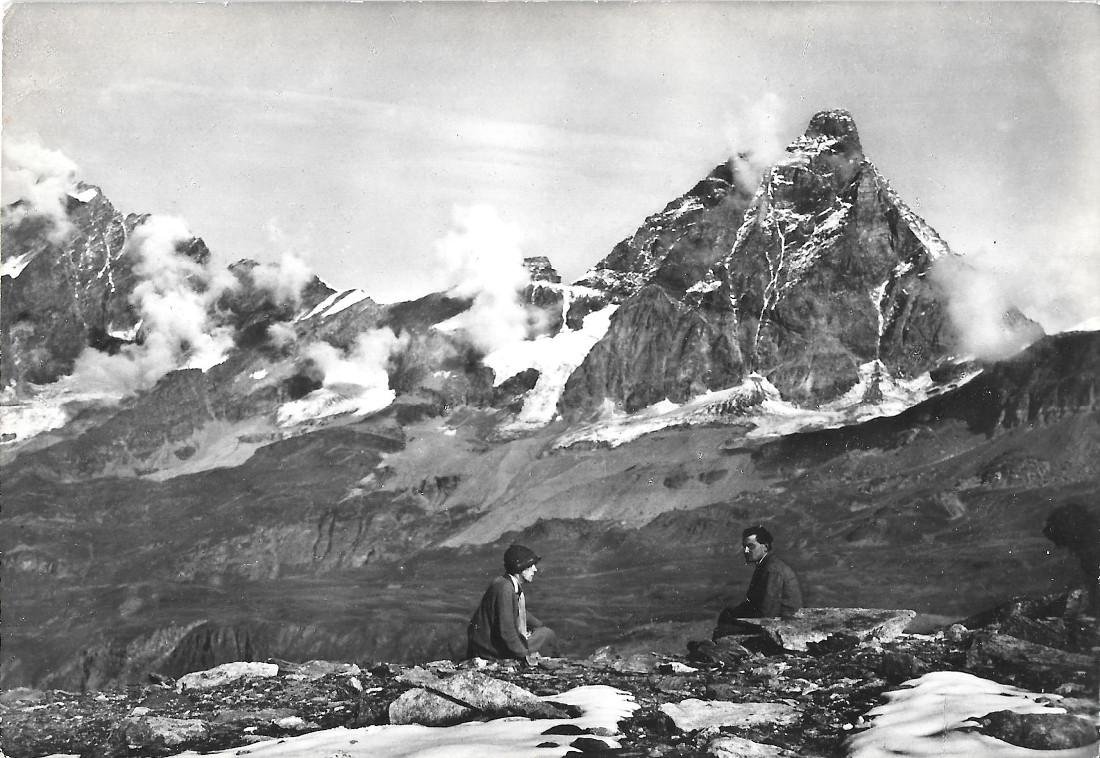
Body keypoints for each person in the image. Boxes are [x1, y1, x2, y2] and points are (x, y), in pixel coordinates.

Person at [466, 544, 558, 663]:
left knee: (543, 631)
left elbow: (518, 611)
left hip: (490, 645)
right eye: (530, 566)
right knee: (547, 635)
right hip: (491, 649)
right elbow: (507, 631)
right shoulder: (505, 588)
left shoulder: (506, 584)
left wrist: (538, 625)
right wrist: (523, 655)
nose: (535, 569)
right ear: (520, 568)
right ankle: (556, 665)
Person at [713, 525, 803, 640]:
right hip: (775, 622)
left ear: (765, 547)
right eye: (744, 547)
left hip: (783, 627)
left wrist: (737, 620)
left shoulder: (772, 570)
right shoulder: (765, 565)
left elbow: (768, 613)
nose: (746, 551)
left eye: (750, 546)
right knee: (727, 616)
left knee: (722, 632)